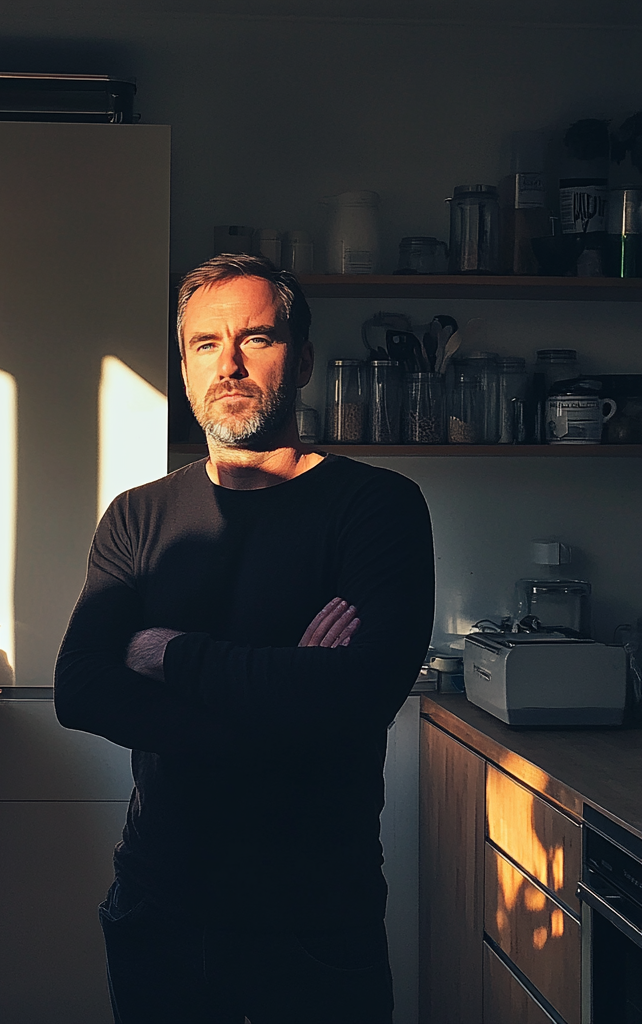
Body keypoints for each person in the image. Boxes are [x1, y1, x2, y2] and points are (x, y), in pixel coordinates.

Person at [54, 253, 434, 1024]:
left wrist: (168, 653)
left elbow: (357, 698)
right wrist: (287, 696)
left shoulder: (377, 508)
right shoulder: (138, 516)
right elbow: (82, 688)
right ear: (185, 367)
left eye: (256, 338)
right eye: (204, 344)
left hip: (317, 915)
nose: (229, 363)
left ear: (301, 360)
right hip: (160, 900)